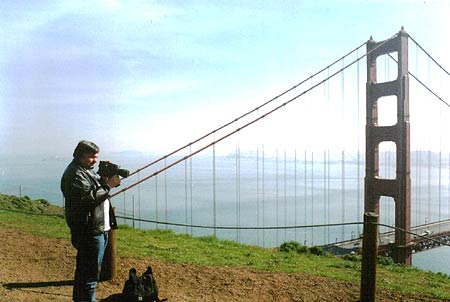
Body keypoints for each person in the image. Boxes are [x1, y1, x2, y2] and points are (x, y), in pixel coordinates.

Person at [61, 140, 121, 302]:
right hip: (90, 231)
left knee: (85, 273)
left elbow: (93, 190)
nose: (94, 161)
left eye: (96, 157)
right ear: (81, 155)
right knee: (90, 275)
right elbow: (88, 199)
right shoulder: (74, 174)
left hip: (98, 229)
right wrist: (108, 185)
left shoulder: (85, 170)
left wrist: (103, 179)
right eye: (91, 157)